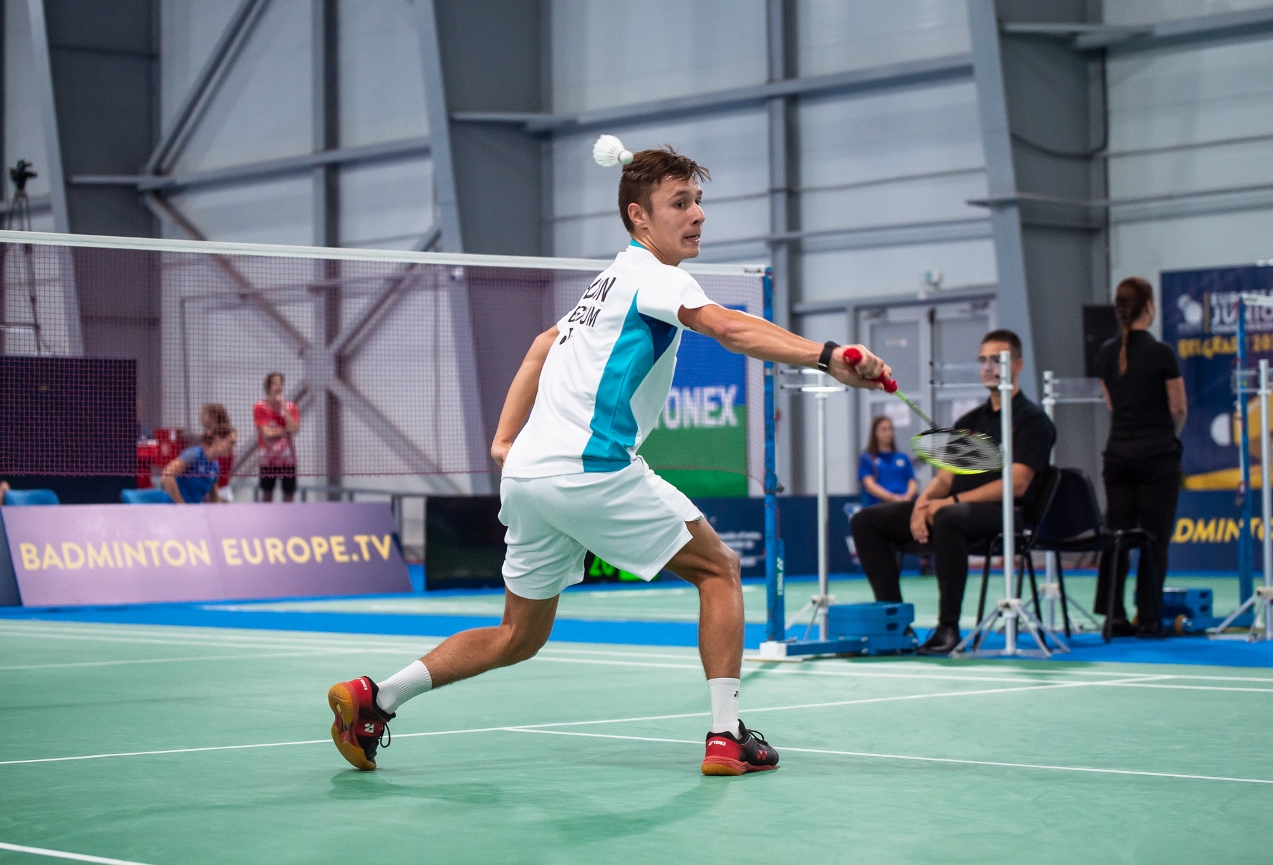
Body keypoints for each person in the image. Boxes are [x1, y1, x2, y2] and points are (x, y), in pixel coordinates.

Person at [326, 142, 892, 777]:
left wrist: (505, 441)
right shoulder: (657, 276)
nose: (698, 214)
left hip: (530, 476)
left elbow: (541, 345)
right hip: (590, 467)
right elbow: (729, 329)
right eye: (680, 203)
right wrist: (827, 356)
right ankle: (726, 736)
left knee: (517, 636)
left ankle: (377, 699)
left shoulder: (606, 284)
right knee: (719, 570)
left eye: (698, 201)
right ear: (638, 217)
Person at [850, 330, 1057, 654]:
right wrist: (922, 503)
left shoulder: (1033, 420)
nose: (988, 367)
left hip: (1005, 515)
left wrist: (950, 502)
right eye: (983, 360)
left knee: (948, 516)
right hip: (953, 508)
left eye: (997, 360)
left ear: (1017, 365)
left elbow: (1018, 482)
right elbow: (945, 477)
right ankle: (895, 625)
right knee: (866, 521)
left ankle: (948, 628)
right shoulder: (969, 422)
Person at [1094, 277, 1186, 639]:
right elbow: (1178, 408)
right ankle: (1148, 618)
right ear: (1149, 307)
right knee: (1153, 540)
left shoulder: (1105, 354)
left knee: (1117, 538)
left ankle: (1113, 616)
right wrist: (1167, 435)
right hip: (1156, 457)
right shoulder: (1162, 353)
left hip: (1117, 456)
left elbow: (1111, 404)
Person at [253, 373, 300, 502]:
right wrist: (285, 430)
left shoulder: (291, 407)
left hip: (287, 459)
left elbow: (294, 428)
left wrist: (284, 408)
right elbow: (267, 433)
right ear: (268, 386)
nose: (278, 386)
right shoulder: (259, 407)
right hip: (267, 459)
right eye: (274, 383)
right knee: (267, 494)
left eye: (280, 383)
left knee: (289, 494)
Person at [161, 428, 234, 504]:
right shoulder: (194, 454)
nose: (233, 447)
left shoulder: (215, 466)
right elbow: (166, 475)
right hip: (173, 508)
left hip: (194, 509)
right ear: (217, 439)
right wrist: (181, 504)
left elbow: (214, 499)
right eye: (231, 442)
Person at [858, 416, 918, 507]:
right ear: (875, 432)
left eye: (890, 429)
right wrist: (892, 498)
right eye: (884, 430)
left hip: (905, 506)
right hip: (879, 507)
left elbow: (912, 481)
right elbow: (869, 485)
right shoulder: (867, 458)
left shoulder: (903, 457)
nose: (888, 433)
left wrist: (907, 498)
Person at [200, 403, 237, 502]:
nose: (201, 417)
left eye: (204, 414)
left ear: (213, 416)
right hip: (209, 488)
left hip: (221, 488)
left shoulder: (224, 435)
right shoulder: (208, 435)